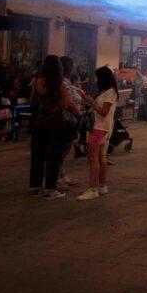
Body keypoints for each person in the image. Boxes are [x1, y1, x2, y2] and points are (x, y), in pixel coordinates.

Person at [29, 55, 80, 200]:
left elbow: (32, 101)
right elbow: (64, 106)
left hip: (40, 120)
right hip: (56, 121)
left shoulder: (38, 83)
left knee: (37, 154)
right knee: (54, 155)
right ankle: (50, 188)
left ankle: (36, 186)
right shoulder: (61, 85)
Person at [76, 67, 118, 201]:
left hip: (99, 126)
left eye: (98, 77)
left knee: (92, 158)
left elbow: (104, 111)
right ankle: (102, 185)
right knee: (100, 157)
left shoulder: (110, 92)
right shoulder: (106, 91)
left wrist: (90, 101)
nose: (96, 80)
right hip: (100, 126)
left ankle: (93, 188)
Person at [58, 56, 81, 188]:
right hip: (66, 120)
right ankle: (58, 177)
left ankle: (62, 175)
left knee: (65, 150)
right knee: (62, 150)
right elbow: (69, 103)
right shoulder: (63, 83)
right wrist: (79, 115)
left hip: (70, 120)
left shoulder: (66, 82)